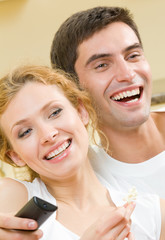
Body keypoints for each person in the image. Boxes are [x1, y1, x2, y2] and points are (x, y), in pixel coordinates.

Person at [0, 65, 164, 239]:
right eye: (25, 132)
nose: (48, 135)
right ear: (15, 156)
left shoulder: (153, 215)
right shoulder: (13, 198)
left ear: (81, 111)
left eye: (55, 112)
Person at [50, 6, 165, 199]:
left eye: (133, 56)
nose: (127, 74)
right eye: (102, 65)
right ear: (73, 89)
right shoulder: (85, 181)